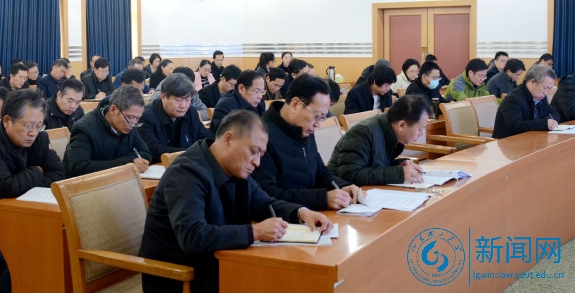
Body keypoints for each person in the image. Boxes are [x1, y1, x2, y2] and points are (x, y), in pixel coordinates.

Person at [138, 110, 333, 293]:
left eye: (261, 155)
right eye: (253, 151)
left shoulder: (235, 168)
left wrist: (301, 212)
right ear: (228, 139)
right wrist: (254, 232)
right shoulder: (186, 173)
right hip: (182, 277)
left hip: (221, 262)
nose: (257, 162)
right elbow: (193, 236)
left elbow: (264, 204)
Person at [0, 89, 65, 293]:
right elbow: (6, 187)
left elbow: (58, 173)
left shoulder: (40, 139)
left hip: (28, 218)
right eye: (27, 125)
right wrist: (37, 171)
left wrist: (27, 179)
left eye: (39, 125)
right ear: (7, 120)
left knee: (57, 247)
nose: (33, 132)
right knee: (23, 257)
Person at [252, 75, 358, 210]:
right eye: (317, 116)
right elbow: (267, 195)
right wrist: (322, 199)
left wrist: (343, 186)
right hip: (287, 217)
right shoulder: (261, 137)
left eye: (322, 117)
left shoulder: (303, 129)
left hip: (314, 212)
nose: (318, 124)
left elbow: (320, 171)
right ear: (295, 104)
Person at [328, 95, 430, 185]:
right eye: (420, 129)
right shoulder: (363, 133)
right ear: (402, 125)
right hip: (341, 194)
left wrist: (398, 165)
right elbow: (349, 175)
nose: (421, 134)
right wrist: (399, 173)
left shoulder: (389, 130)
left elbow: (375, 166)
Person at [63, 85, 152, 177]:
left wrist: (130, 163)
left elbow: (145, 154)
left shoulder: (129, 125)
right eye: (130, 117)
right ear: (113, 109)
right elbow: (79, 167)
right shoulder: (84, 128)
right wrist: (126, 164)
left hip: (119, 180)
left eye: (137, 118)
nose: (133, 123)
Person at [138, 73, 213, 164]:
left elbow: (206, 137)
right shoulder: (146, 116)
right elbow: (152, 150)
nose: (183, 105)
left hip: (187, 163)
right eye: (178, 100)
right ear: (163, 96)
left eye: (187, 100)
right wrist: (192, 152)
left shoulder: (191, 112)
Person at [493, 65, 559, 139]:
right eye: (545, 88)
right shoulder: (513, 99)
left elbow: (554, 114)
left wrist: (549, 122)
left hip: (531, 139)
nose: (546, 93)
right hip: (509, 142)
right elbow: (515, 126)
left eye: (549, 89)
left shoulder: (540, 96)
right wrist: (544, 123)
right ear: (533, 82)